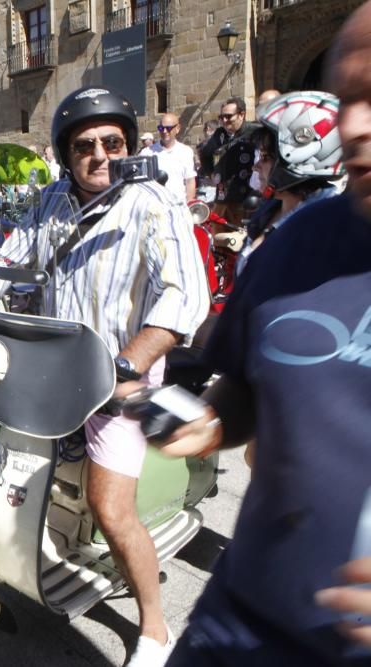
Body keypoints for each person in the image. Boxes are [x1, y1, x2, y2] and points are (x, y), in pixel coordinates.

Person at [0, 86, 209, 666]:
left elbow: (184, 297)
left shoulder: (152, 202)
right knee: (3, 468)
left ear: (128, 144)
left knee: (110, 506)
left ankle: (155, 627)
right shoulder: (49, 202)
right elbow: (3, 267)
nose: (100, 154)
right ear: (64, 153)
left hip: (120, 382)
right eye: (85, 146)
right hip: (50, 374)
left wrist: (128, 364)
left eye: (112, 142)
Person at [158, 6, 371, 661]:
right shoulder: (298, 241)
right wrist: (211, 422)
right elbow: (248, 389)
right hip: (236, 619)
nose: (356, 126)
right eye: (351, 97)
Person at [238, 90, 344, 276]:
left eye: (265, 157)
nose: (255, 167)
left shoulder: (328, 227)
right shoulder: (270, 210)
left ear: (298, 158)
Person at [199, 97, 261, 224]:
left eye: (228, 116)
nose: (224, 121)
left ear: (241, 115)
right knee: (219, 237)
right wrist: (211, 173)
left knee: (239, 238)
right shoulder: (220, 134)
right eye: (222, 117)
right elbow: (205, 154)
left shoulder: (255, 131)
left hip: (245, 199)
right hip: (222, 197)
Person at [140, 113, 198, 203]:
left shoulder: (186, 151)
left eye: (169, 128)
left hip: (178, 205)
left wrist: (189, 203)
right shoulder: (147, 152)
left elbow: (190, 180)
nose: (165, 131)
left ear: (177, 128)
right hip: (154, 206)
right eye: (161, 128)